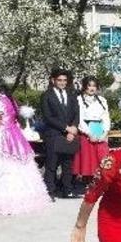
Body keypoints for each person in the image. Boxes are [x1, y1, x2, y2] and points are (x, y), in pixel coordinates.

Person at [0, 79, 51, 213]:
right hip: (15, 136)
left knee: (3, 167)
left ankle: (4, 202)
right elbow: (15, 120)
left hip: (1, 137)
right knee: (18, 167)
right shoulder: (11, 100)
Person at [41, 68, 81, 199]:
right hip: (53, 133)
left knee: (68, 163)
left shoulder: (71, 94)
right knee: (52, 164)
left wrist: (74, 128)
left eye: (65, 80)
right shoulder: (46, 95)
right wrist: (66, 128)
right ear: (53, 80)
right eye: (59, 80)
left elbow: (76, 113)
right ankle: (50, 191)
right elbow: (48, 117)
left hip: (70, 134)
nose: (62, 82)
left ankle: (67, 189)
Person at [73, 76, 111, 183]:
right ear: (85, 87)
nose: (92, 88)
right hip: (86, 129)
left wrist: (105, 132)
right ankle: (88, 182)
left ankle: (102, 181)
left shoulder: (102, 100)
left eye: (94, 86)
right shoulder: (79, 100)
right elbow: (79, 119)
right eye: (89, 86)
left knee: (102, 156)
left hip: (99, 128)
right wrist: (89, 133)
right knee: (88, 159)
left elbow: (106, 117)